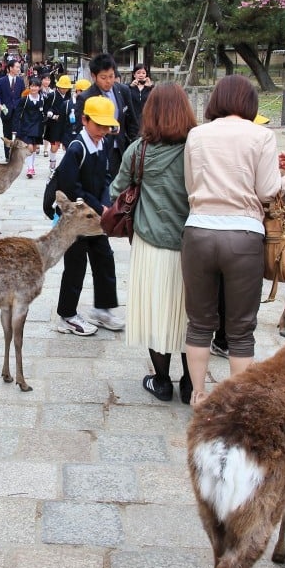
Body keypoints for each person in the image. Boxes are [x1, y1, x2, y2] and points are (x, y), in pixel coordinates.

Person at [180, 75, 285, 404]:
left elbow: (191, 186)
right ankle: (235, 402)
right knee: (240, 328)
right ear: (250, 103)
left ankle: (198, 394)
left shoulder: (197, 135)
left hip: (199, 231)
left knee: (199, 321)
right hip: (244, 235)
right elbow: (266, 191)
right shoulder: (262, 135)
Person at [111, 83, 194, 403]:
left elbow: (115, 191)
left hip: (151, 246)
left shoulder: (138, 151)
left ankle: (161, 382)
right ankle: (190, 383)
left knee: (156, 312)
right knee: (191, 316)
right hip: (191, 245)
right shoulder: (195, 149)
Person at [52, 96, 125, 336]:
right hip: (77, 221)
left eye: (106, 126)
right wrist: (98, 206)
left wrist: (105, 204)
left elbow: (105, 177)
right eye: (98, 125)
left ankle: (103, 309)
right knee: (76, 265)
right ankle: (67, 314)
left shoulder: (102, 144)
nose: (103, 131)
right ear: (84, 120)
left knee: (105, 258)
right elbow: (72, 188)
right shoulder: (77, 147)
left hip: (95, 218)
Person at [74, 54, 138, 176]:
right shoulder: (85, 97)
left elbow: (132, 122)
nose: (108, 81)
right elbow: (79, 128)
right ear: (94, 76)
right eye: (103, 77)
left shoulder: (123, 91)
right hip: (97, 151)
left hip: (120, 151)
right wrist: (105, 130)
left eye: (111, 76)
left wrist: (135, 147)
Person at [14, 76, 46, 177]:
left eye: (36, 86)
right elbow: (17, 113)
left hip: (38, 126)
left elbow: (46, 111)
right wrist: (15, 128)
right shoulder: (24, 100)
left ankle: (31, 166)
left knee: (35, 147)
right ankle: (30, 168)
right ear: (29, 87)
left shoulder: (43, 99)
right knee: (30, 148)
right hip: (26, 126)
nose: (34, 88)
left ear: (39, 87)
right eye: (32, 86)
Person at [0, 60, 24, 160]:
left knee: (18, 134)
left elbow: (23, 95)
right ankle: (8, 156)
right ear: (10, 68)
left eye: (19, 67)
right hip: (6, 111)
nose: (19, 69)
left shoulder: (20, 80)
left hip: (18, 112)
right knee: (7, 134)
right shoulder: (1, 80)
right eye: (17, 67)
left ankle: (16, 155)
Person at [128, 63, 154, 132]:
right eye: (138, 73)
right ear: (134, 75)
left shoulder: (151, 87)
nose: (141, 75)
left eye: (143, 73)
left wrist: (150, 87)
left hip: (147, 120)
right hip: (132, 121)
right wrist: (131, 87)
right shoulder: (129, 87)